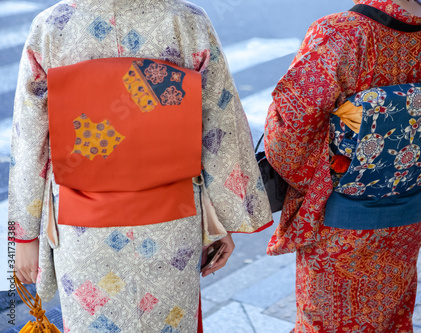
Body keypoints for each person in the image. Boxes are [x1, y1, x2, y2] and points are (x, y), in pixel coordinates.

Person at [9, 0, 273, 332]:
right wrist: (220, 220)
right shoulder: (185, 20)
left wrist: (25, 238)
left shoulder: (53, 26)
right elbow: (219, 126)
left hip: (84, 225)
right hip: (171, 219)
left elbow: (30, 137)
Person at [264, 0, 421, 332]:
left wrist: (309, 183)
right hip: (408, 211)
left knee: (329, 321)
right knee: (391, 317)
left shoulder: (338, 33)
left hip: (340, 217)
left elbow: (290, 133)